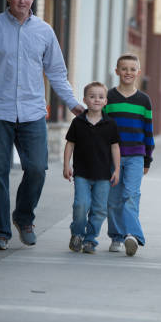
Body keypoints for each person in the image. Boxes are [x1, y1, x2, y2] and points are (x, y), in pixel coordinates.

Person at [0, 0, 84, 251]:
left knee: (37, 168)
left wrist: (73, 103)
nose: (22, 1)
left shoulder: (44, 31)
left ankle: (23, 217)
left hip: (32, 113)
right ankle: (1, 232)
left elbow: (57, 73)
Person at [103, 53, 154, 256]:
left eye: (133, 69)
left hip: (135, 156)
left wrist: (147, 158)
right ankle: (116, 236)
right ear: (117, 71)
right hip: (112, 158)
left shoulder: (144, 100)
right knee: (114, 199)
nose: (128, 72)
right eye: (124, 68)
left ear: (138, 72)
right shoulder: (109, 97)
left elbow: (148, 131)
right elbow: (102, 129)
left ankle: (132, 235)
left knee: (131, 195)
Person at [63, 82, 121, 254]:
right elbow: (70, 144)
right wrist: (66, 165)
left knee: (99, 209)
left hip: (103, 175)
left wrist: (117, 169)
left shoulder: (110, 124)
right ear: (85, 100)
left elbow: (115, 147)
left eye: (101, 97)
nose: (96, 99)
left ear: (105, 102)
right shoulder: (78, 122)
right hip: (81, 173)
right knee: (81, 205)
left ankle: (90, 240)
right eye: (92, 96)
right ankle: (77, 234)